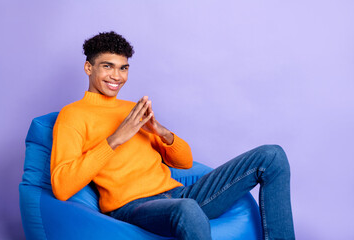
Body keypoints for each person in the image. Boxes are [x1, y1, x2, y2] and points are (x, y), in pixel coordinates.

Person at [50, 31, 295, 240]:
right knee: (187, 209)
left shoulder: (131, 110)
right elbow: (62, 187)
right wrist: (115, 139)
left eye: (123, 68)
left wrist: (160, 131)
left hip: (178, 194)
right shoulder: (73, 115)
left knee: (272, 156)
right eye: (108, 66)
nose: (117, 76)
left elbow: (184, 162)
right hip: (132, 206)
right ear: (88, 67)